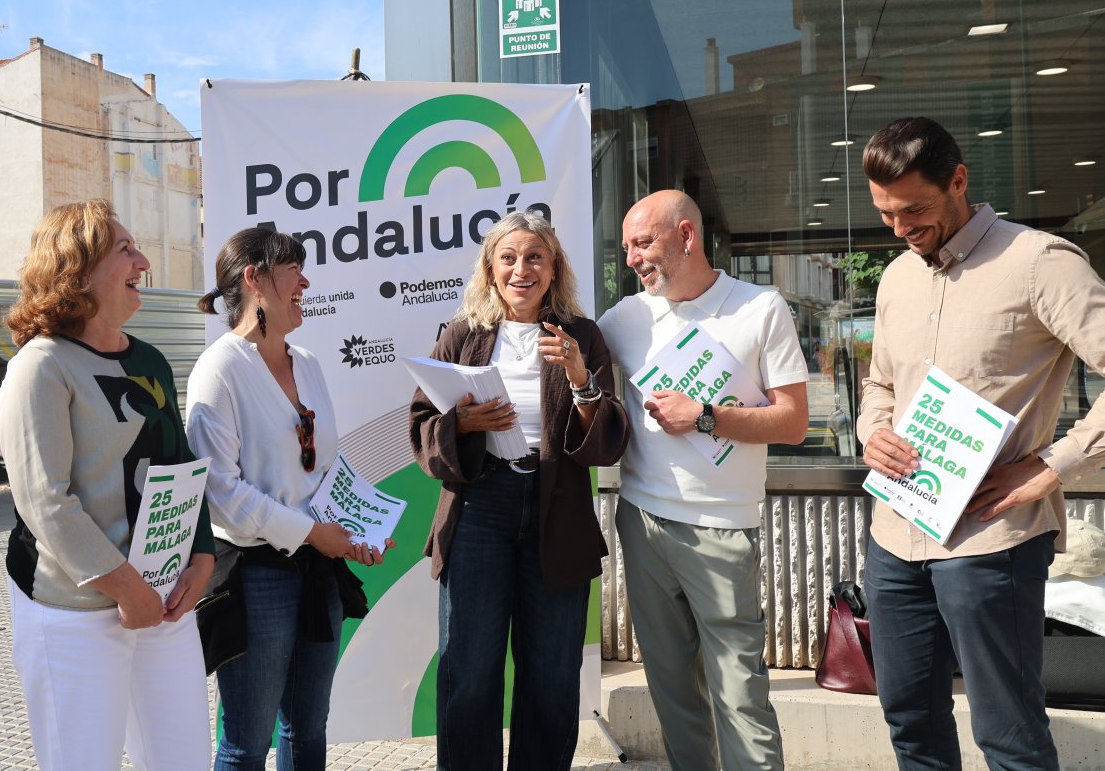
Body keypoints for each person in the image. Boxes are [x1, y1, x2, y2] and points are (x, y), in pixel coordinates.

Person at [858, 116, 1105, 770]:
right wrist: (873, 432)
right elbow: (880, 382)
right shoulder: (895, 279)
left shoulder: (1038, 263)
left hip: (991, 543)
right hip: (895, 534)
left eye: (914, 209)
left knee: (1008, 734)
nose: (901, 227)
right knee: (909, 720)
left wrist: (1056, 465)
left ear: (959, 180)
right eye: (886, 214)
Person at [0, 199, 215, 771]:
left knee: (183, 758)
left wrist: (203, 559)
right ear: (77, 272)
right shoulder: (42, 366)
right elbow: (46, 502)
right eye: (125, 249)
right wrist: (125, 588)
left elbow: (182, 466)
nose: (143, 260)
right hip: (77, 610)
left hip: (164, 598)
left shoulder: (151, 360)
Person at [410, 210, 630, 771]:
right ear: (490, 268)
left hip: (558, 511)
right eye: (508, 257)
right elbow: (419, 427)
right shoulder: (462, 334)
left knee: (552, 673)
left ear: (554, 268)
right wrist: (462, 425)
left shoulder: (581, 336)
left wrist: (582, 382)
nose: (521, 268)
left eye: (534, 256)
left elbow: (606, 444)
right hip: (480, 505)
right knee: (470, 668)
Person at [596, 189, 807, 771]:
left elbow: (793, 422)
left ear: (686, 236)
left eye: (644, 243)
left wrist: (708, 415)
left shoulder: (761, 309)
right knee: (672, 692)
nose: (633, 259)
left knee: (740, 693)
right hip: (641, 523)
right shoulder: (625, 319)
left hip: (722, 529)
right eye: (627, 248)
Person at [187, 226, 391, 771]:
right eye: (292, 271)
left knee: (307, 731)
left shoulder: (308, 362)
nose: (305, 281)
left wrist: (357, 530)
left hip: (318, 573)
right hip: (256, 581)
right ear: (254, 279)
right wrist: (312, 534)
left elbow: (324, 469)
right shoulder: (219, 369)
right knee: (246, 744)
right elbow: (221, 494)